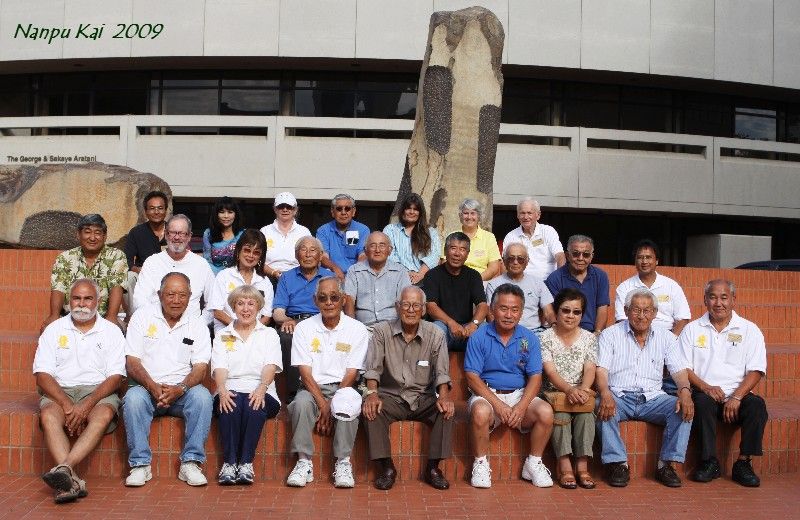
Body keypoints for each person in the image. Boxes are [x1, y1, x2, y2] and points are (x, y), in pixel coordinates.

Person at [33, 279, 126, 503]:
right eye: (76, 298)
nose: (81, 304)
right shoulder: (54, 329)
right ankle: (72, 479)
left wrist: (86, 404)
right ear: (68, 301)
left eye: (87, 298)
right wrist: (66, 404)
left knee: (102, 415)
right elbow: (42, 375)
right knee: (48, 416)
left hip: (98, 392)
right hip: (60, 390)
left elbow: (116, 377)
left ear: (98, 301)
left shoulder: (112, 331)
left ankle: (64, 468)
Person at [596, 288, 694, 488]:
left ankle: (666, 464)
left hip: (653, 399)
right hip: (619, 396)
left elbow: (679, 371)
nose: (641, 316)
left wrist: (685, 391)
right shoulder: (609, 335)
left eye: (647, 311)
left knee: (684, 408)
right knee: (600, 406)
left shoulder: (667, 338)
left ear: (655, 313)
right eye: (636, 310)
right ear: (626, 310)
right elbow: (601, 370)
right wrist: (605, 393)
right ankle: (617, 463)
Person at [123, 272, 213, 487]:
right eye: (170, 294)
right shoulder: (142, 317)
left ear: (190, 296)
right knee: (133, 399)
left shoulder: (196, 323)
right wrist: (153, 386)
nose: (176, 300)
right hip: (147, 389)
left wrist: (179, 389)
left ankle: (191, 463)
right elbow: (132, 361)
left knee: (203, 397)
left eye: (182, 295)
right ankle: (139, 464)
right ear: (160, 294)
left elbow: (201, 368)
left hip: (182, 392)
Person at [363, 286, 455, 490]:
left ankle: (433, 468)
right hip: (391, 396)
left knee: (446, 411)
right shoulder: (381, 332)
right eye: (406, 304)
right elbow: (373, 368)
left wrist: (444, 396)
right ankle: (387, 468)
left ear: (423, 309)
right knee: (371, 410)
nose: (411, 310)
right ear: (397, 307)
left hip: (423, 397)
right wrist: (371, 394)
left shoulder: (436, 334)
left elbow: (442, 372)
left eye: (416, 305)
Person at [679, 279, 768, 487]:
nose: (718, 303)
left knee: (757, 406)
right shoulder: (692, 329)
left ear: (733, 300)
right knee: (701, 402)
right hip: (704, 393)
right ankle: (709, 461)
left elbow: (756, 370)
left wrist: (737, 396)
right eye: (712, 297)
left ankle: (744, 462)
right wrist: (705, 387)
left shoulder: (749, 330)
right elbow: (683, 367)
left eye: (724, 297)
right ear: (705, 300)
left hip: (738, 396)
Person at [465, 283, 554, 489]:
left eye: (515, 309)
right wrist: (498, 405)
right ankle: (480, 463)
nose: (508, 314)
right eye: (503, 308)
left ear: (522, 312)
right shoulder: (479, 336)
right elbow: (472, 377)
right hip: (487, 394)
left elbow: (535, 377)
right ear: (492, 310)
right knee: (479, 412)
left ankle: (533, 463)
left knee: (546, 412)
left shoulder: (529, 338)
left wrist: (521, 406)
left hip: (519, 394)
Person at [286, 277, 368, 488]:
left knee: (349, 402)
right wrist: (323, 404)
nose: (329, 302)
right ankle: (304, 462)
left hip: (344, 387)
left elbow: (352, 373)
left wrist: (333, 405)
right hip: (312, 388)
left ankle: (343, 462)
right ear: (315, 301)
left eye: (334, 297)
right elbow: (304, 373)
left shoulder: (357, 329)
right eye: (323, 298)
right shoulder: (304, 328)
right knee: (300, 403)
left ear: (343, 299)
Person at [212, 285, 282, 485]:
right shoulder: (223, 334)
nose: (245, 308)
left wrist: (262, 388)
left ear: (258, 307)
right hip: (229, 386)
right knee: (231, 404)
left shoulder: (269, 334)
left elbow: (270, 365)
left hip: (262, 387)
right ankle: (229, 463)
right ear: (233, 307)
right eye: (240, 303)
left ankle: (245, 464)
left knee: (253, 405)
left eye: (251, 303)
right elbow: (220, 367)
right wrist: (222, 390)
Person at [539, 288, 598, 489]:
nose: (571, 316)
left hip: (581, 391)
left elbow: (590, 367)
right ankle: (564, 466)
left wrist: (582, 389)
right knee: (562, 412)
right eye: (565, 310)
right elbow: (550, 371)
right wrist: (569, 390)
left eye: (576, 312)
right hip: (553, 392)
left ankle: (582, 466)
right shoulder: (545, 337)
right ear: (556, 312)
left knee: (586, 415)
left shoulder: (589, 338)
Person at [272, 236, 334, 401]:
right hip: (294, 321)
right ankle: (294, 393)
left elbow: (335, 306)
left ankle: (329, 390)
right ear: (296, 255)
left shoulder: (329, 277)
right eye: (303, 250)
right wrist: (286, 320)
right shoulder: (287, 277)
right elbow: (278, 310)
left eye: (312, 250)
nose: (307, 254)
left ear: (321, 255)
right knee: (286, 337)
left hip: (321, 320)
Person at [43, 214, 127, 332]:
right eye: (87, 232)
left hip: (102, 317)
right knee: (48, 329)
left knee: (118, 331)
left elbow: (117, 287)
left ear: (105, 236)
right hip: (70, 317)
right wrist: (54, 316)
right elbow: (58, 288)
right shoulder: (65, 258)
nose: (92, 238)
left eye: (97, 233)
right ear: (78, 235)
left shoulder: (116, 256)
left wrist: (111, 317)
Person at [132, 214, 214, 320]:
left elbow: (212, 303)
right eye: (172, 233)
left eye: (182, 233)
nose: (176, 237)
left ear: (189, 236)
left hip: (191, 326)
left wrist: (200, 324)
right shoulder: (152, 262)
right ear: (166, 235)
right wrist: (153, 322)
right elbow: (140, 300)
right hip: (156, 325)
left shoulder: (201, 264)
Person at [424, 232, 489, 351]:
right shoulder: (432, 275)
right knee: (437, 329)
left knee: (484, 328)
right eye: (453, 248)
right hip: (443, 325)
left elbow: (482, 305)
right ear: (445, 251)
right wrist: (451, 323)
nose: (457, 254)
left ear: (467, 254)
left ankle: (476, 369)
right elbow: (430, 306)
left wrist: (474, 324)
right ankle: (439, 369)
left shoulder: (473, 275)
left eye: (463, 249)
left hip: (466, 328)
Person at [614, 239, 690, 336]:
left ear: (657, 260)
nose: (644, 261)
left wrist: (672, 341)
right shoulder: (624, 287)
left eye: (648, 257)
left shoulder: (671, 286)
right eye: (640, 257)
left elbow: (683, 318)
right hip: (634, 337)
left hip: (666, 336)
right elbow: (621, 320)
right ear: (635, 261)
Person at [207, 229, 274, 334]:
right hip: (227, 332)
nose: (251, 256)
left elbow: (267, 316)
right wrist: (239, 328)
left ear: (260, 257)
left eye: (256, 253)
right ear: (238, 251)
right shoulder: (224, 276)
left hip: (256, 334)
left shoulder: (265, 282)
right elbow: (217, 312)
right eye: (247, 250)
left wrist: (251, 331)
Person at [344, 231, 411, 329]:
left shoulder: (400, 271)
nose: (377, 250)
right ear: (365, 250)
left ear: (390, 250)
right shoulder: (354, 271)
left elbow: (406, 302)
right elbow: (349, 301)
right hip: (363, 328)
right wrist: (353, 329)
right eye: (372, 246)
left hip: (392, 328)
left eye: (382, 245)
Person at [545, 234, 609, 334]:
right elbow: (552, 311)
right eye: (575, 254)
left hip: (592, 333)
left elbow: (602, 308)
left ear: (591, 256)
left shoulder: (600, 276)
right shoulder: (555, 278)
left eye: (586, 254)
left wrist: (597, 333)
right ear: (567, 255)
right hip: (564, 333)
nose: (580, 258)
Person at [486, 243, 555, 333]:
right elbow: (490, 314)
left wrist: (555, 327)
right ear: (504, 261)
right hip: (504, 332)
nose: (515, 262)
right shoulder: (493, 284)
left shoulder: (537, 283)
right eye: (511, 258)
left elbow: (548, 312)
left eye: (520, 259)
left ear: (527, 261)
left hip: (534, 331)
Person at [123, 190, 169, 312]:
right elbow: (126, 260)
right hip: (144, 275)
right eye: (152, 208)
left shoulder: (173, 230)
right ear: (146, 211)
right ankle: (133, 315)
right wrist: (137, 269)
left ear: (166, 210)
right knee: (128, 277)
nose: (156, 212)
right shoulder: (137, 232)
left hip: (171, 274)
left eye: (160, 208)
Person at [383, 193, 441, 285]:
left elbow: (434, 255)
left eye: (415, 209)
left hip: (424, 280)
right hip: (397, 279)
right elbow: (389, 255)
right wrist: (406, 273)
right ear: (403, 210)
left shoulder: (431, 232)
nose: (411, 212)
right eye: (408, 208)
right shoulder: (390, 230)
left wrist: (420, 274)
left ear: (420, 212)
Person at [502, 197, 566, 281]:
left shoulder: (548, 231)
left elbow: (560, 256)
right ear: (517, 215)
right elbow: (504, 263)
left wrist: (560, 280)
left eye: (529, 213)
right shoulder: (511, 236)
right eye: (522, 213)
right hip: (520, 283)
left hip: (547, 281)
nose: (526, 217)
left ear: (538, 215)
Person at [260, 192, 311, 286]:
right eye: (281, 206)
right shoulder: (264, 231)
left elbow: (310, 258)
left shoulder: (304, 232)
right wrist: (273, 272)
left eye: (289, 207)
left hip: (299, 277)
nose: (285, 209)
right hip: (269, 278)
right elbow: (258, 259)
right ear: (275, 209)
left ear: (295, 210)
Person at [443, 199, 501, 281]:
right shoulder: (451, 236)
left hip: (481, 281)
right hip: (454, 280)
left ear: (479, 216)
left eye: (473, 213)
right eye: (466, 213)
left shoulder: (489, 237)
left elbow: (494, 267)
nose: (469, 217)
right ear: (460, 216)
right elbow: (444, 262)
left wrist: (476, 281)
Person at [316, 194, 370, 280]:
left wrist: (353, 273)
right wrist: (335, 269)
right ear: (333, 212)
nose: (343, 212)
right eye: (339, 208)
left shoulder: (363, 230)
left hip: (356, 274)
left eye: (347, 208)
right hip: (330, 274)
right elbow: (323, 257)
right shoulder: (323, 230)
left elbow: (362, 255)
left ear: (353, 211)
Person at [202, 196, 245, 275]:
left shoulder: (243, 234)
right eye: (222, 212)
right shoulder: (208, 234)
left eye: (230, 212)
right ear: (216, 214)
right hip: (214, 277)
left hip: (237, 277)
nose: (226, 216)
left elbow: (245, 261)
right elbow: (207, 261)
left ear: (235, 214)